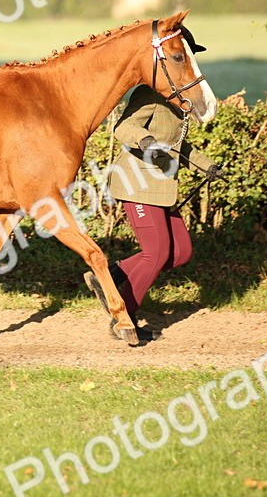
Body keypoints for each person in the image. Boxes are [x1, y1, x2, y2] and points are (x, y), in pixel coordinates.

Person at [84, 27, 223, 342]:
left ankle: (112, 274)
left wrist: (208, 166)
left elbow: (178, 147)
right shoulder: (148, 94)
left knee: (180, 253)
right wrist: (145, 140)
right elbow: (123, 127)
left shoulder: (179, 99)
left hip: (161, 186)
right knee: (156, 253)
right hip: (137, 182)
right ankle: (125, 318)